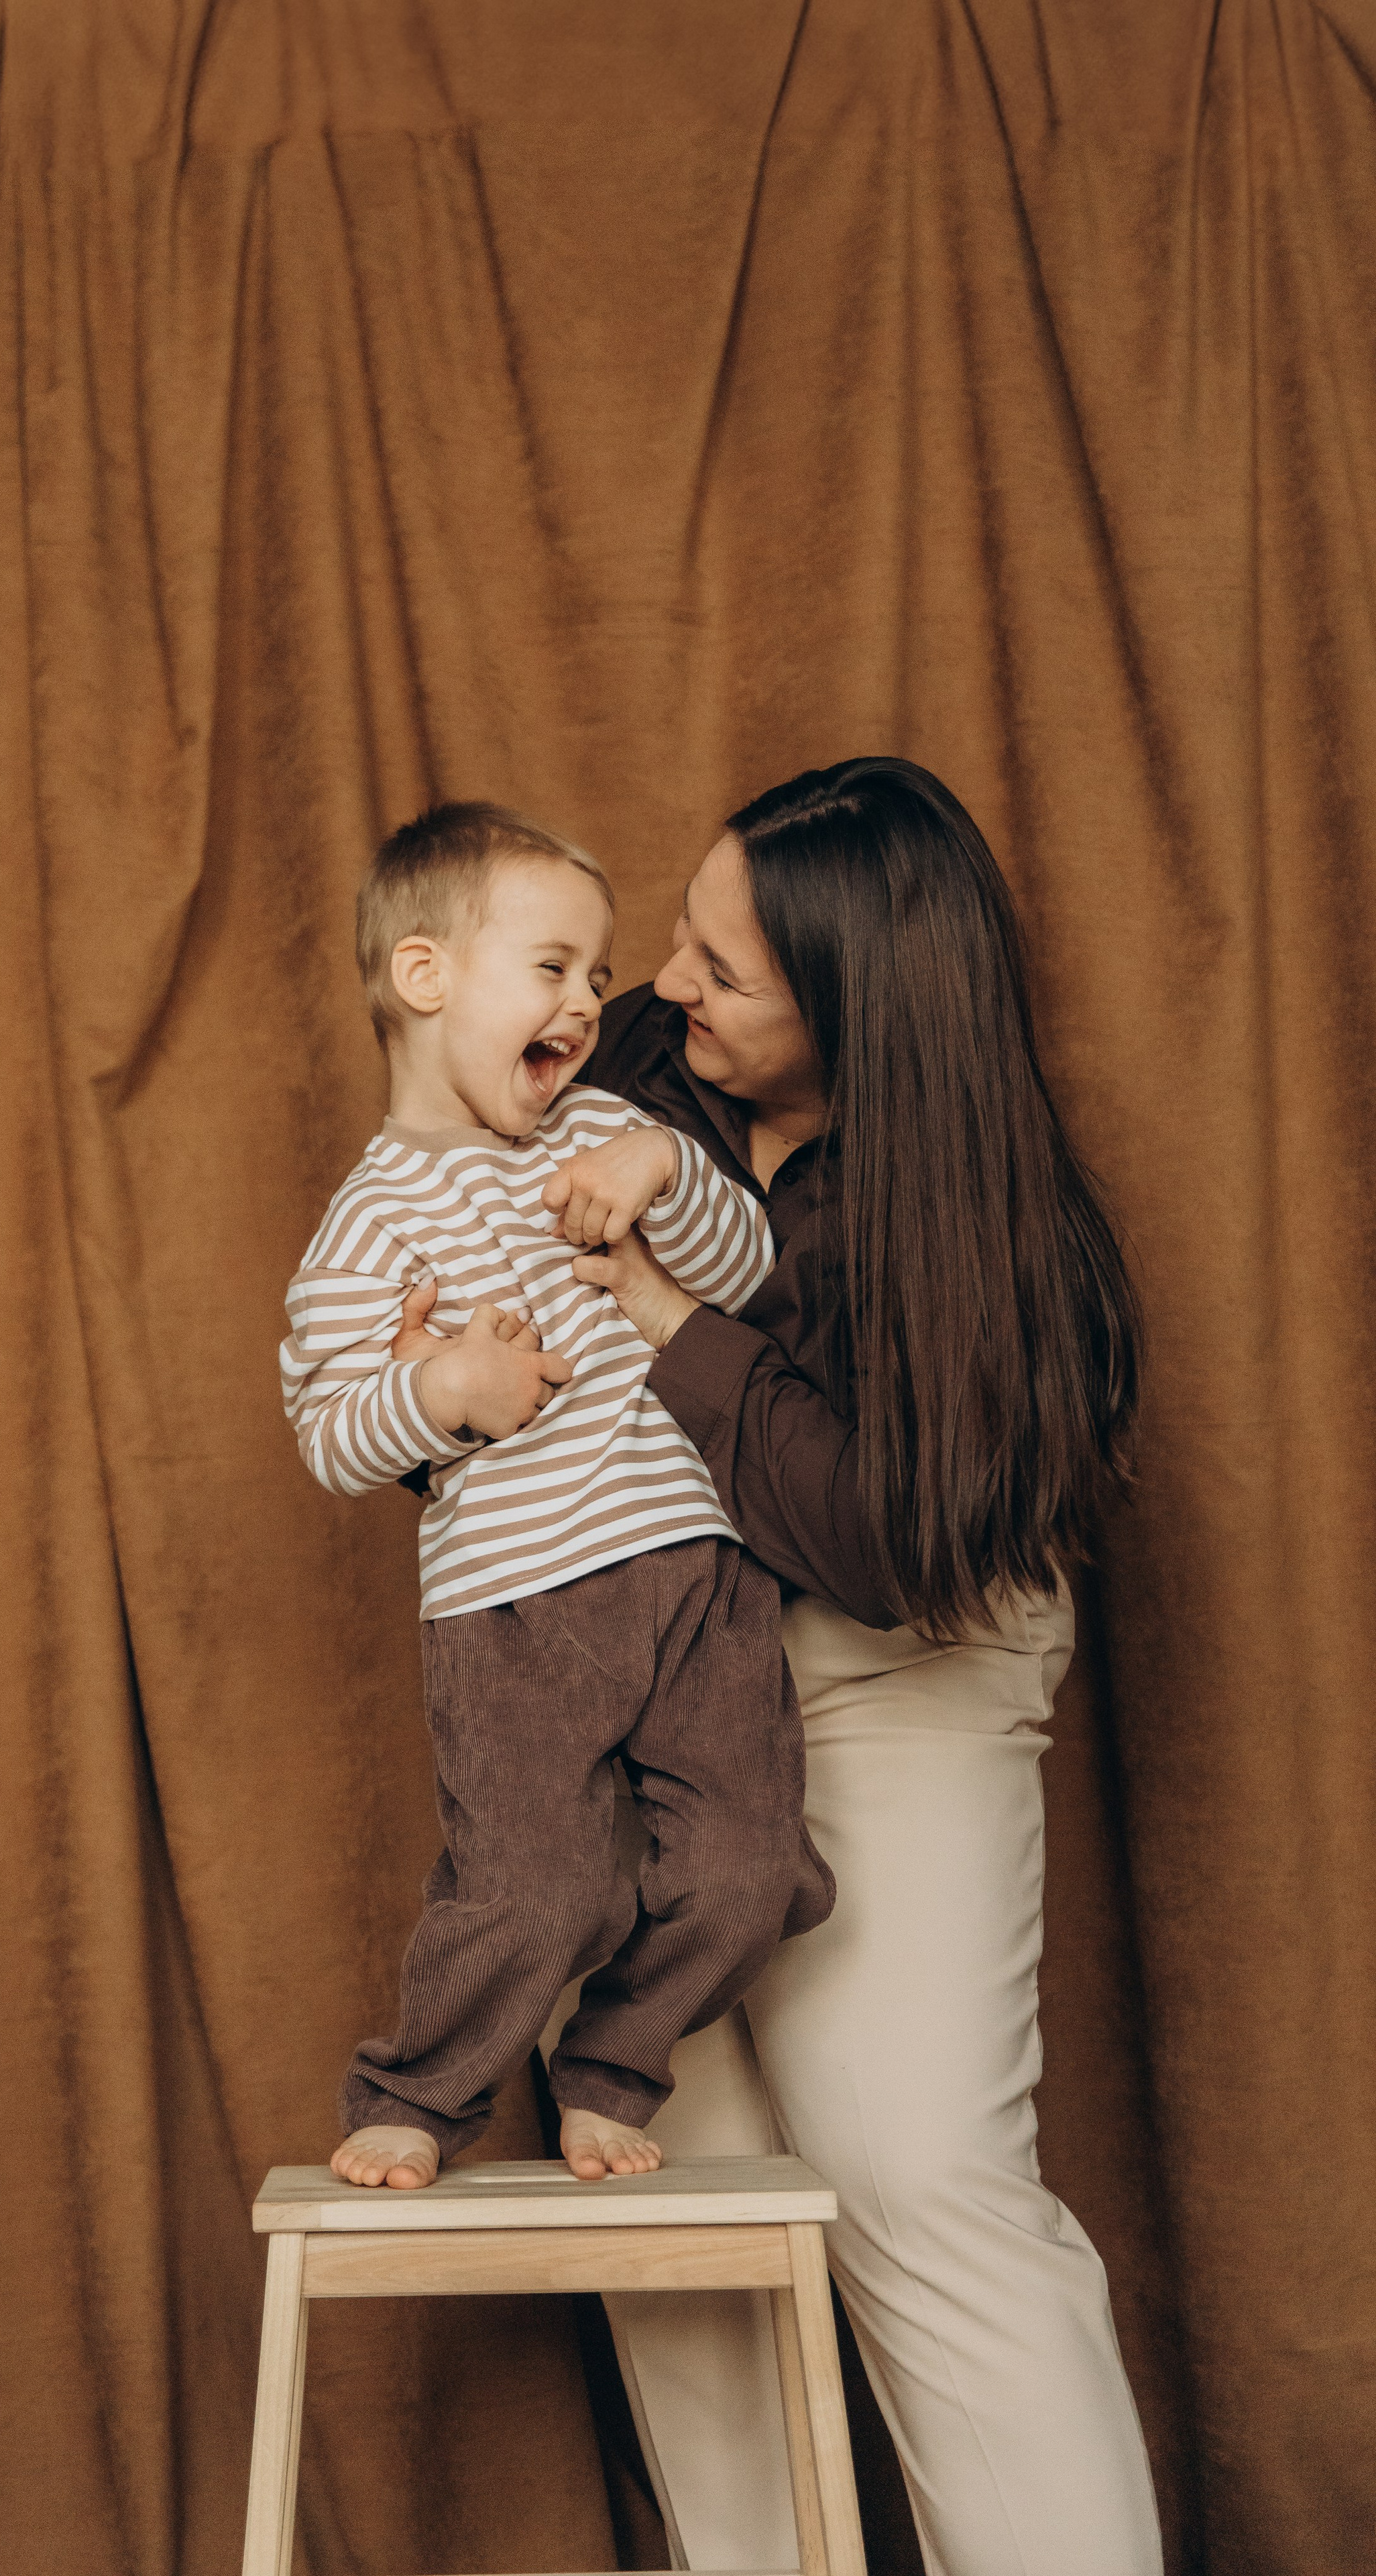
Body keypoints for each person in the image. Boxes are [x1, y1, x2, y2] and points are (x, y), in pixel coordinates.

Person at [396, 759, 1163, 2575]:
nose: (663, 988)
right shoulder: (647, 1060)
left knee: (915, 2178)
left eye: (722, 972)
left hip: (893, 1658)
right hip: (649, 1661)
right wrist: (433, 1387)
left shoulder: (1003, 1230)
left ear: (859, 1014)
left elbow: (885, 1550)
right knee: (669, 2192)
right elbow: (473, 1275)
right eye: (680, 936)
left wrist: (663, 1307)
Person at [279, 801, 835, 2193]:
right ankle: (417, 2092)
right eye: (554, 967)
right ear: (426, 980)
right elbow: (330, 1433)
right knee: (534, 1889)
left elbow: (742, 1259)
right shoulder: (367, 1221)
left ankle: (612, 2057)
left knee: (751, 1866)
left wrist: (658, 1165)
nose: (590, 1000)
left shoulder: (600, 1124)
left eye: (596, 976)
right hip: (517, 1601)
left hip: (697, 1574)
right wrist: (440, 1394)